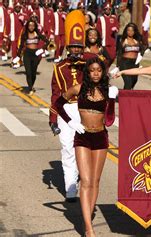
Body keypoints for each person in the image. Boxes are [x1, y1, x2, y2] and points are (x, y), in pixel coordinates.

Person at [54, 57, 118, 237]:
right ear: (88, 73)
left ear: (103, 72)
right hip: (82, 137)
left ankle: (86, 218)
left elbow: (110, 120)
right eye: (92, 70)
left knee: (95, 181)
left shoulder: (108, 90)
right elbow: (58, 104)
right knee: (86, 180)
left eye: (99, 70)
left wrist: (112, 99)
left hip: (100, 138)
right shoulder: (79, 88)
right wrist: (71, 122)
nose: (96, 73)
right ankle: (89, 228)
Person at [49, 9, 87, 203]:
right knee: (67, 148)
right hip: (66, 110)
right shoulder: (59, 67)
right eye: (72, 47)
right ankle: (71, 188)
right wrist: (52, 118)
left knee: (85, 147)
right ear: (67, 48)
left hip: (85, 109)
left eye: (79, 47)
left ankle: (83, 179)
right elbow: (55, 94)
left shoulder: (89, 64)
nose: (76, 51)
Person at [17, 19, 50, 95]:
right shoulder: (24, 34)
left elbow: (47, 41)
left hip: (35, 54)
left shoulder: (37, 34)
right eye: (30, 25)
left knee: (33, 73)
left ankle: (31, 85)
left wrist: (42, 49)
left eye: (33, 25)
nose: (31, 27)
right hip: (27, 54)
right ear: (27, 26)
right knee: (28, 72)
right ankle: (30, 88)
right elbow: (21, 46)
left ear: (35, 26)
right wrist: (18, 56)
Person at [117, 22, 146, 90]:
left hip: (135, 64)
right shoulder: (123, 41)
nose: (130, 32)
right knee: (128, 83)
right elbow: (119, 54)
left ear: (135, 31)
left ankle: (125, 94)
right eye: (128, 30)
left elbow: (143, 48)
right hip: (124, 63)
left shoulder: (137, 41)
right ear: (126, 31)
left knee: (134, 81)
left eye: (132, 30)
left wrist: (141, 56)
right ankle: (125, 99)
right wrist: (118, 66)